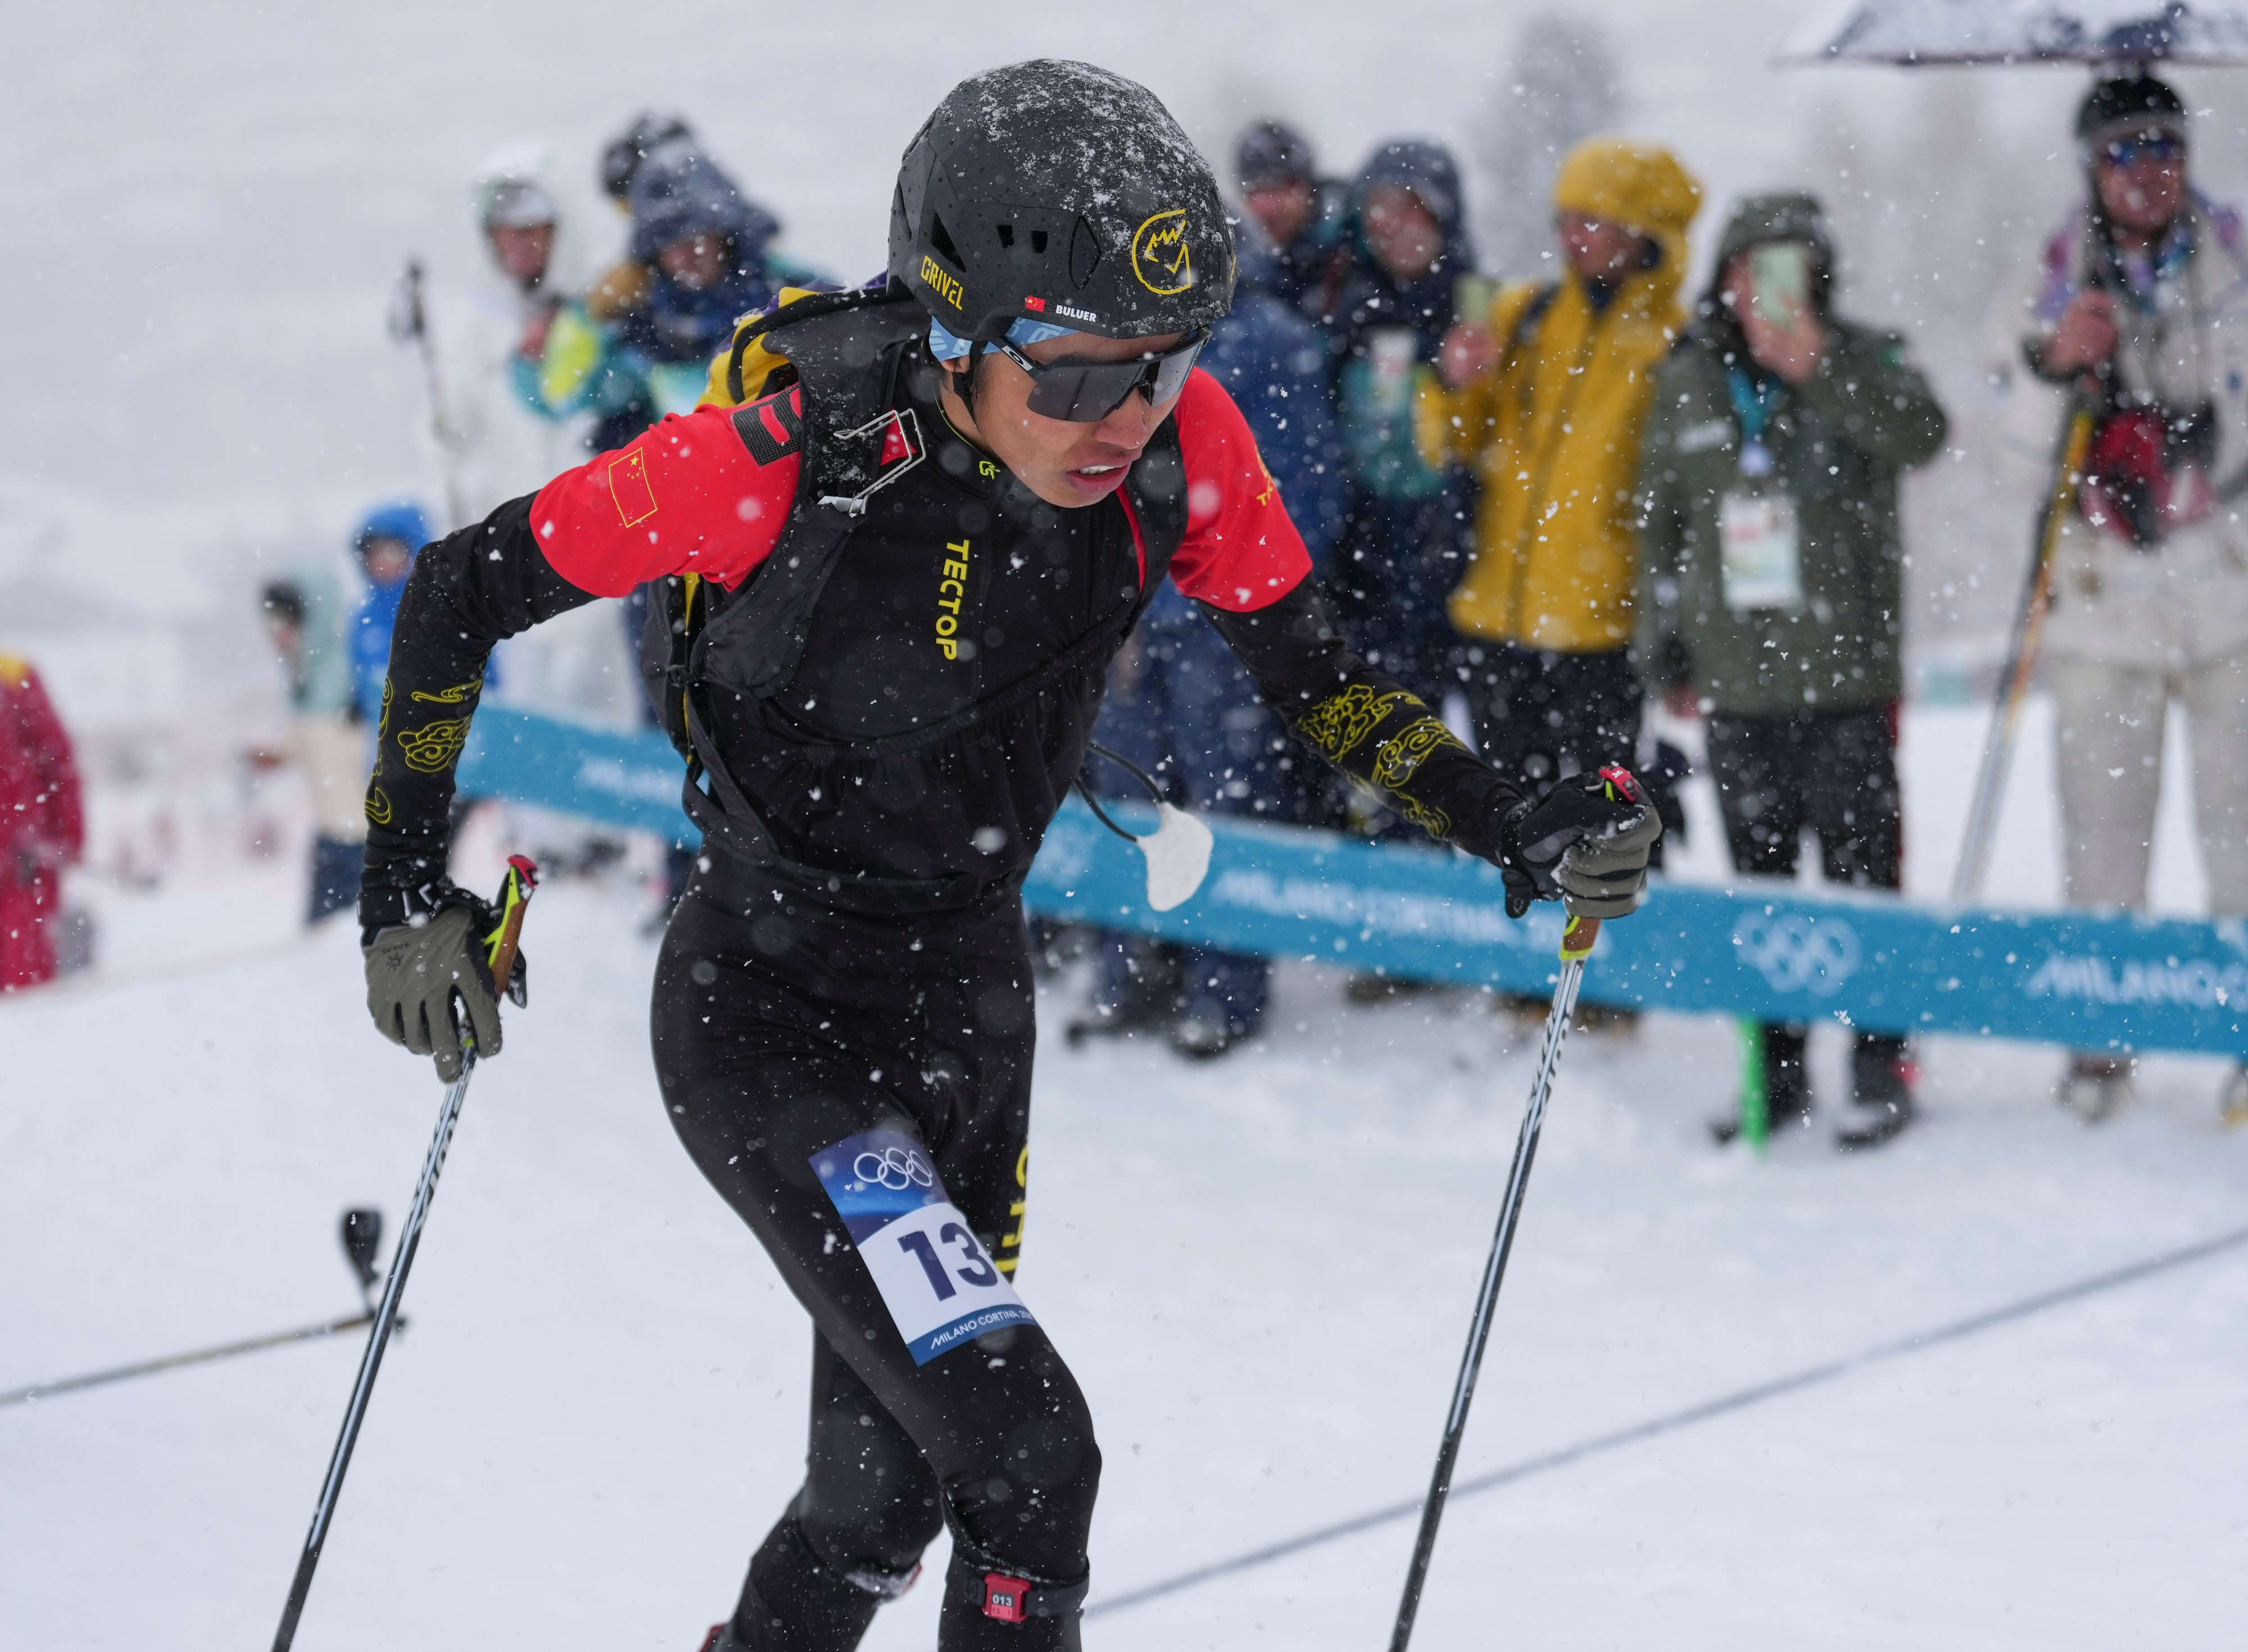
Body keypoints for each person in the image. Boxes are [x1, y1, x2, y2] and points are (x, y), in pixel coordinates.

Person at [352, 61, 1656, 1651]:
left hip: (968, 1014)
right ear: (960, 334)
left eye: (1163, 366)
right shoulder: (783, 457)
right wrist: (402, 895)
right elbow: (459, 588)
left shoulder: (1180, 446)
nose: (1126, 418)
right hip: (773, 1019)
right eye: (1078, 377)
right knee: (1031, 1461)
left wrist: (1503, 815)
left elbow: (1316, 678)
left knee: (879, 1502)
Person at [1637, 193, 1947, 1149]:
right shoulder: (1687, 379)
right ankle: (1775, 1076)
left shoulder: (1867, 356)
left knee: (1863, 878)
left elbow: (1924, 436)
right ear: (1725, 278)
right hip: (1738, 683)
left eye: (1789, 265)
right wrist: (1665, 648)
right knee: (1760, 890)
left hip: (1848, 677)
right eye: (1751, 266)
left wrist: (1820, 369)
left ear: (1817, 275)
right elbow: (1660, 526)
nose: (1767, 286)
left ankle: (1879, 1066)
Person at [1983, 72, 2248, 1127]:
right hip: (2100, 602)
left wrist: (2204, 443)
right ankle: (2102, 1042)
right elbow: (2014, 468)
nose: (2148, 170)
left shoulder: (2237, 262)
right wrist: (2057, 367)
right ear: (2092, 167)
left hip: (2231, 595)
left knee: (2243, 832)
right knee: (2101, 836)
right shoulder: (2046, 283)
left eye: (2164, 146)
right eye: (2125, 150)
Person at [1075, 230, 1349, 1058]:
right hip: (1127, 618)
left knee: (1230, 800)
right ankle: (1128, 972)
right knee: (1125, 797)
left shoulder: (1271, 342)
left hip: (1216, 621)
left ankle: (1224, 990)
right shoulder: (1118, 336)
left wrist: (1247, 602)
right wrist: (1103, 599)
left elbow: (1307, 489)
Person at [1428, 135, 1702, 797]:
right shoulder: (1525, 314)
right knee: (1510, 827)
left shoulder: (1677, 345)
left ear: (1642, 229)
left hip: (1605, 637)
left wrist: (1678, 638)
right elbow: (1453, 443)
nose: (1570, 236)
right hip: (1497, 623)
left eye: (1591, 220)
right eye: (1564, 219)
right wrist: (1453, 383)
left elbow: (1689, 501)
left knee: (1604, 828)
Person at [1321, 139, 1480, 712]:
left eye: (1413, 208)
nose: (1394, 226)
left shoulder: (1478, 311)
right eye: (1380, 209)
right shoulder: (1346, 306)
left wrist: (1457, 381)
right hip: (1355, 557)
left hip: (1448, 558)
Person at [258, 569, 367, 923]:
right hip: (331, 834)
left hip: (367, 841)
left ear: (312, 618)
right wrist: (278, 756)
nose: (277, 633)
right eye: (270, 622)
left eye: (286, 620)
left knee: (354, 940)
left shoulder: (351, 674)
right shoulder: (304, 677)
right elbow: (311, 738)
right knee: (323, 939)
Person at [0, 652, 84, 991]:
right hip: (22, 858)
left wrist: (68, 838)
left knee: (26, 989)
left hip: (23, 866)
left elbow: (56, 760)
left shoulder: (12, 674)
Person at [1232, 118, 1347, 314]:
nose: (1268, 205)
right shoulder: (1238, 259)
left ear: (1309, 188)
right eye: (1256, 190)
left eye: (1279, 188)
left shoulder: (1351, 246)